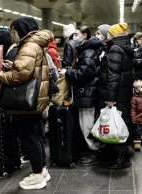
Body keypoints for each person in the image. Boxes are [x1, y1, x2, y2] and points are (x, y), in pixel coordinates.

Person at [0, 17, 52, 190]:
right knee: (36, 136)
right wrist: (14, 65)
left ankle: (37, 175)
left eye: (13, 30)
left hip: (28, 103)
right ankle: (41, 170)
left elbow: (21, 75)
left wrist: (1, 76)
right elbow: (27, 69)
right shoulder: (35, 44)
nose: (12, 34)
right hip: (37, 100)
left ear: (21, 30)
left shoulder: (28, 46)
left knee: (30, 138)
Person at [59, 26, 102, 165]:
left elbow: (85, 73)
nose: (74, 37)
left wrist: (68, 72)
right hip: (86, 92)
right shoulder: (85, 50)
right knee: (87, 123)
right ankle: (93, 149)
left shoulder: (88, 51)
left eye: (77, 34)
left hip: (87, 92)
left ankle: (94, 151)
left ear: (84, 35)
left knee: (87, 124)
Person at [98, 23, 134, 169]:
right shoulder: (125, 47)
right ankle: (120, 153)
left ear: (113, 35)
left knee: (117, 124)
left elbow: (113, 76)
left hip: (117, 94)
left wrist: (111, 97)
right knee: (122, 121)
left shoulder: (115, 49)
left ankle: (121, 157)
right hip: (124, 92)